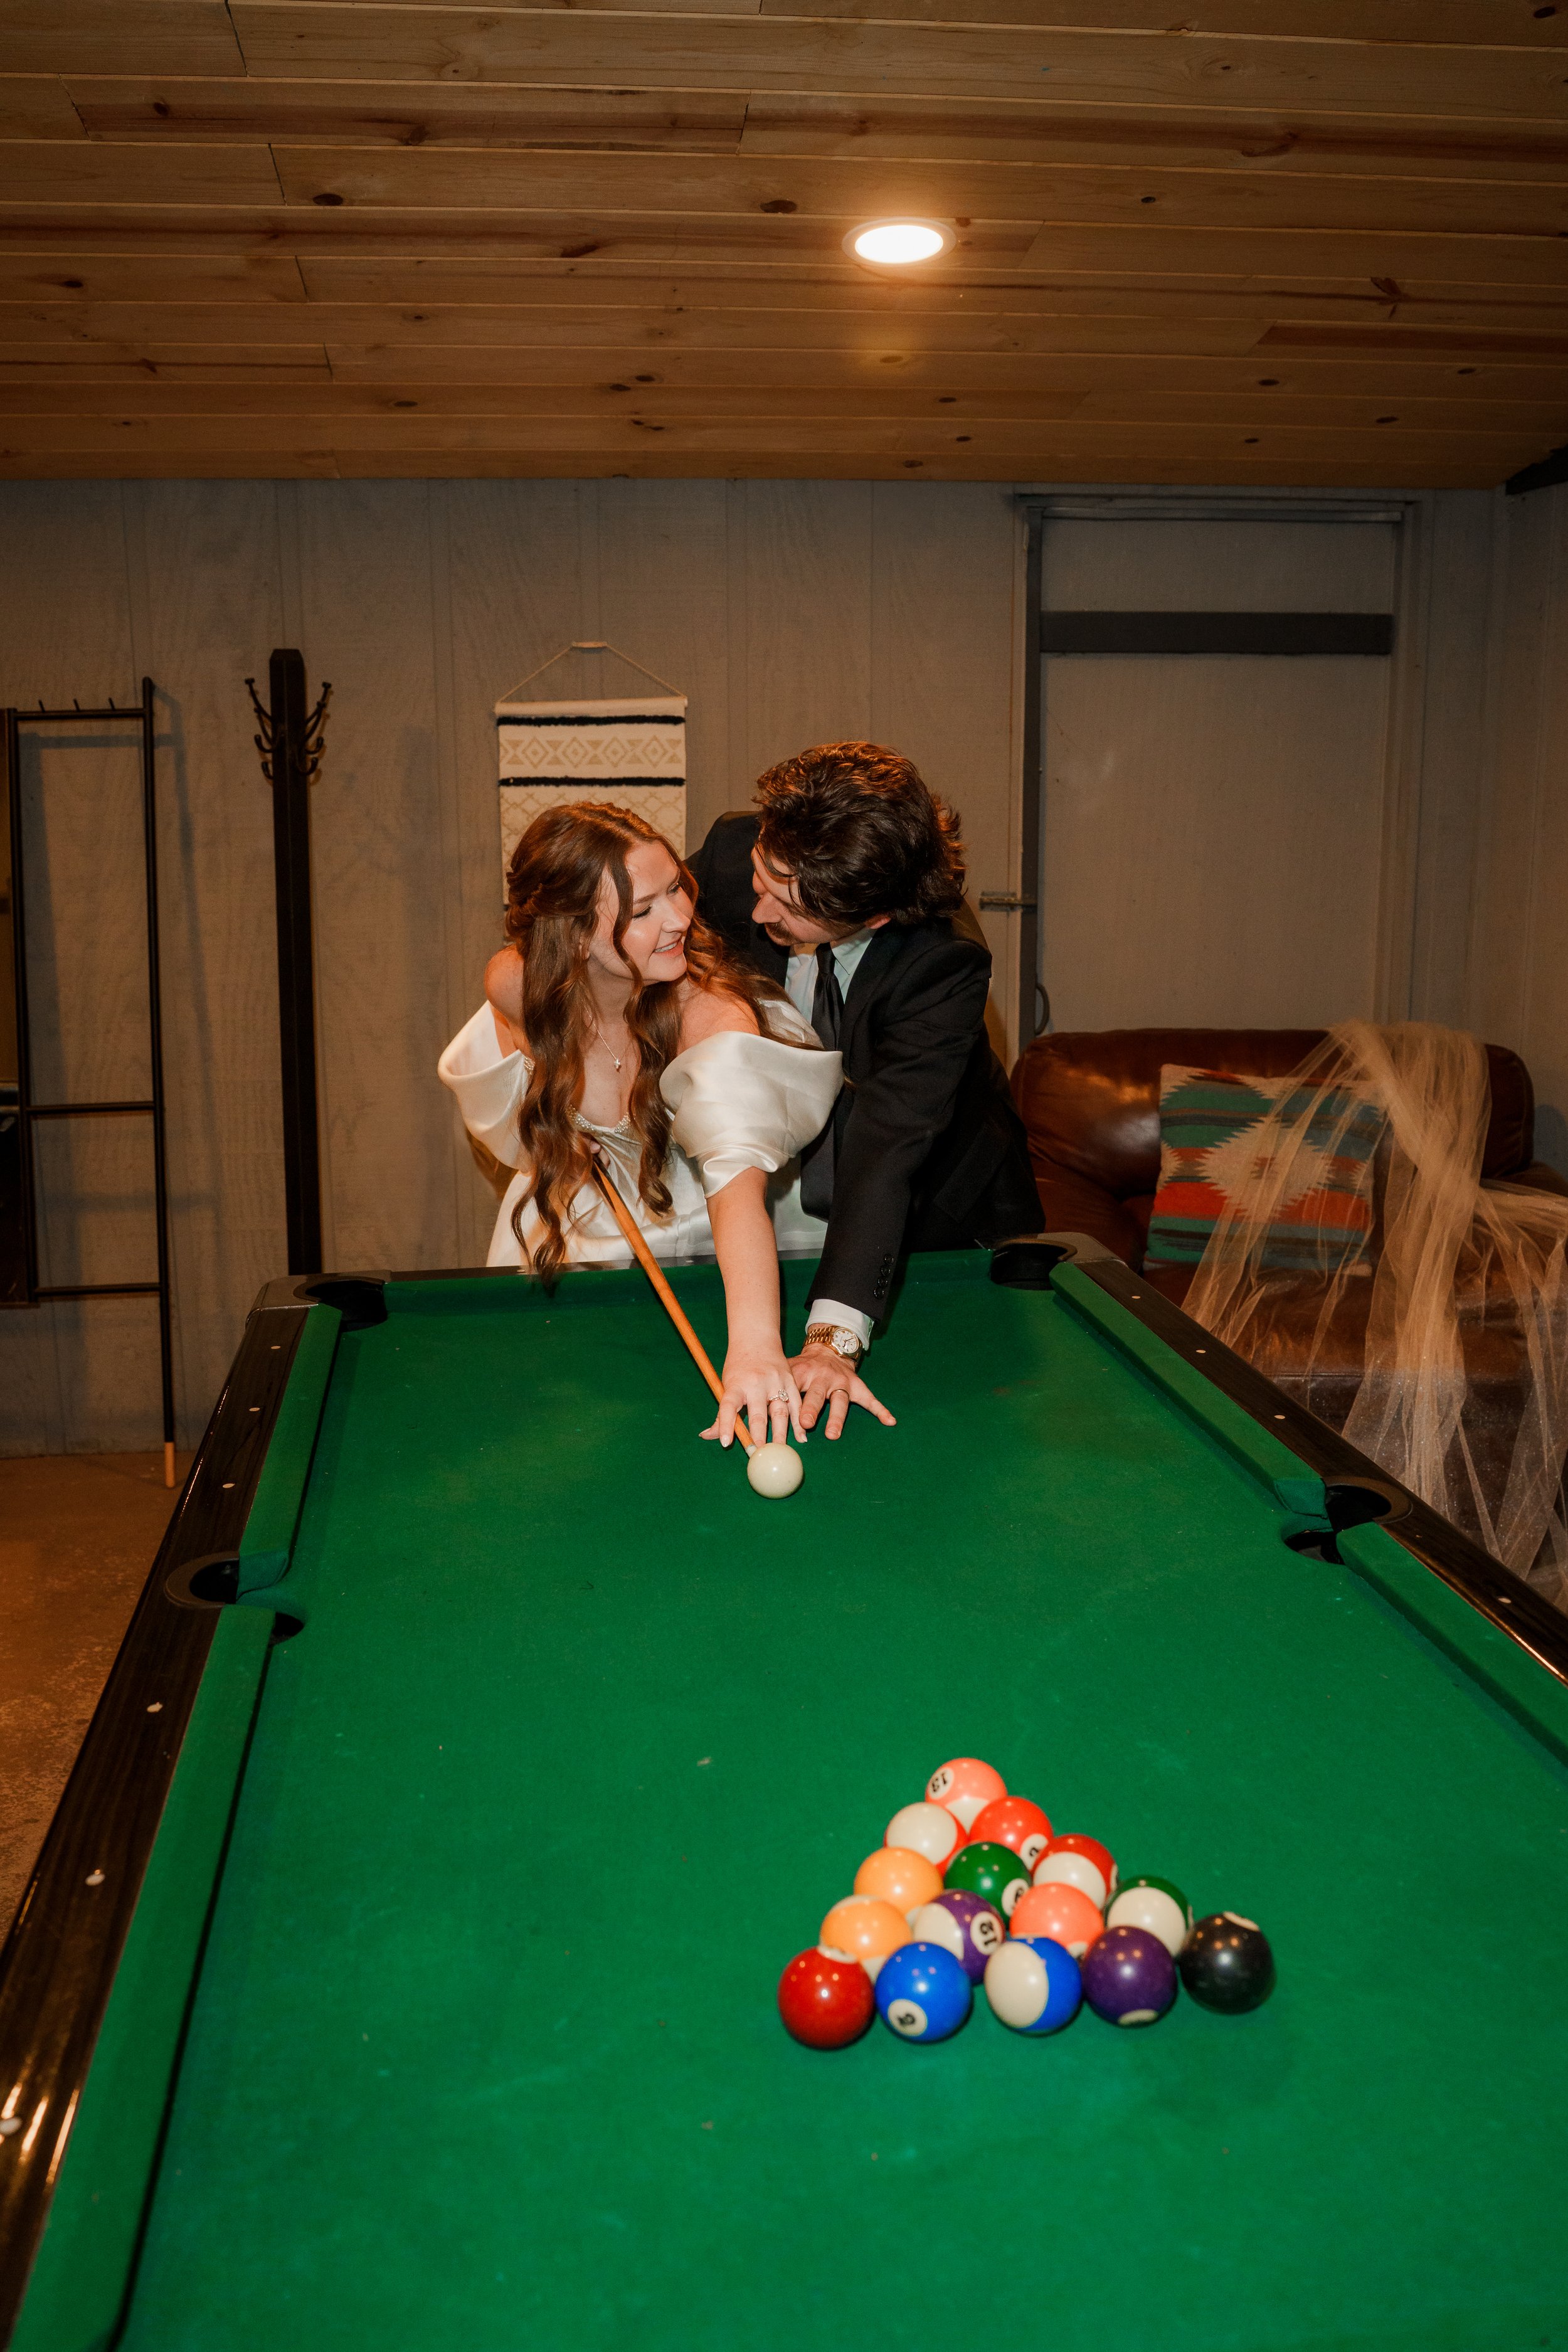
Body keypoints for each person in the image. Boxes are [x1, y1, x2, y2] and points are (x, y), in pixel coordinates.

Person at [438, 802, 851, 1451]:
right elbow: (516, 1004)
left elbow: (737, 1190)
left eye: (676, 890)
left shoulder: (711, 1015)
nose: (683, 918)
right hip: (581, 1220)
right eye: (644, 911)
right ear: (573, 936)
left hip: (710, 1224)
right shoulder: (519, 985)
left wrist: (753, 1350)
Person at [687, 741, 1040, 1438]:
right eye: (761, 880)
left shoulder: (943, 962)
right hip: (810, 1178)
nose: (755, 913)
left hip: (942, 1198)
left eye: (785, 907)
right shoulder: (737, 849)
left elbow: (887, 1144)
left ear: (872, 917)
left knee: (973, 1430)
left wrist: (831, 1343)